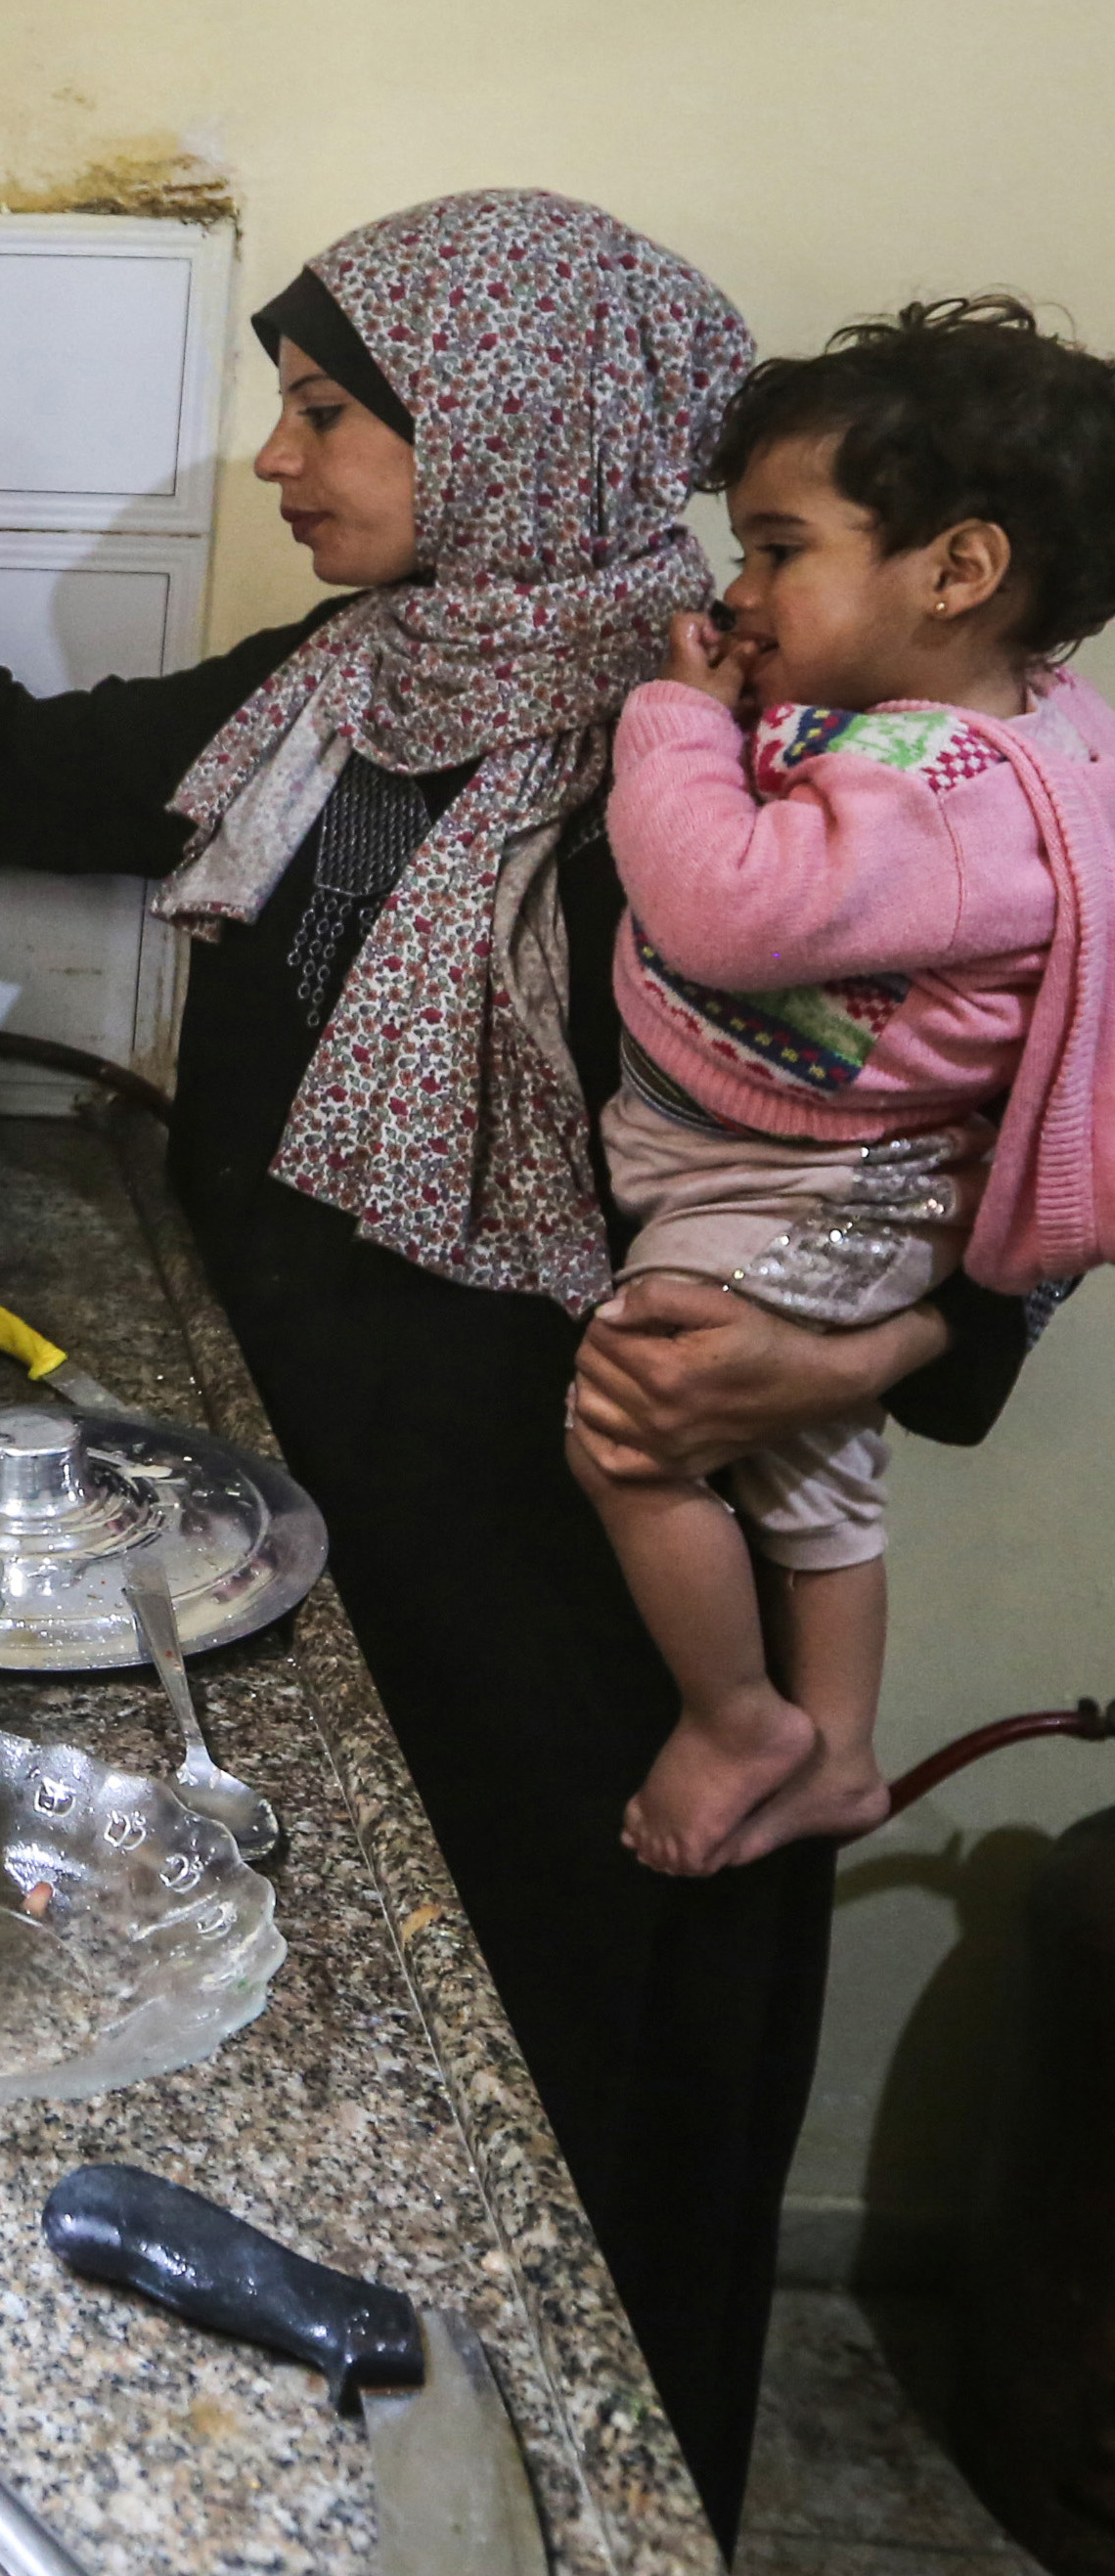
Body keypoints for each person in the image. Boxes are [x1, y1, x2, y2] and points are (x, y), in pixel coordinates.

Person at [0, 194, 1033, 2556]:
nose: (280, 459)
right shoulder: (348, 683)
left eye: (325, 412)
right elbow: (17, 780)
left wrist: (880, 1337)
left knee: (584, 2116)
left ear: (505, 427)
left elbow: (995, 1137)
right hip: (316, 1498)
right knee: (365, 2103)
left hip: (589, 1569)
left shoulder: (741, 747)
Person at [574, 298, 1115, 1883]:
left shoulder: (947, 790)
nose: (738, 591)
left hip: (821, 1180)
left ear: (959, 571)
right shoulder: (973, 730)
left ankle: (737, 1715)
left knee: (631, 1428)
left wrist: (676, 721)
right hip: (786, 1163)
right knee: (812, 1472)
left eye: (778, 549)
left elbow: (728, 907)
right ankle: (844, 1752)